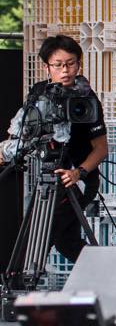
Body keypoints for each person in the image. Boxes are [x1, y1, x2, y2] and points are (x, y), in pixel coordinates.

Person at [0, 35, 107, 264]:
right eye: (58, 65)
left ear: (79, 64)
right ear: (46, 67)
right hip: (48, 175)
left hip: (77, 181)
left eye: (70, 63)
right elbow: (22, 131)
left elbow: (101, 149)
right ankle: (110, 272)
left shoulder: (86, 100)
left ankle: (20, 279)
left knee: (37, 239)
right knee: (67, 242)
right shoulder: (39, 93)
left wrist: (78, 172)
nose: (65, 70)